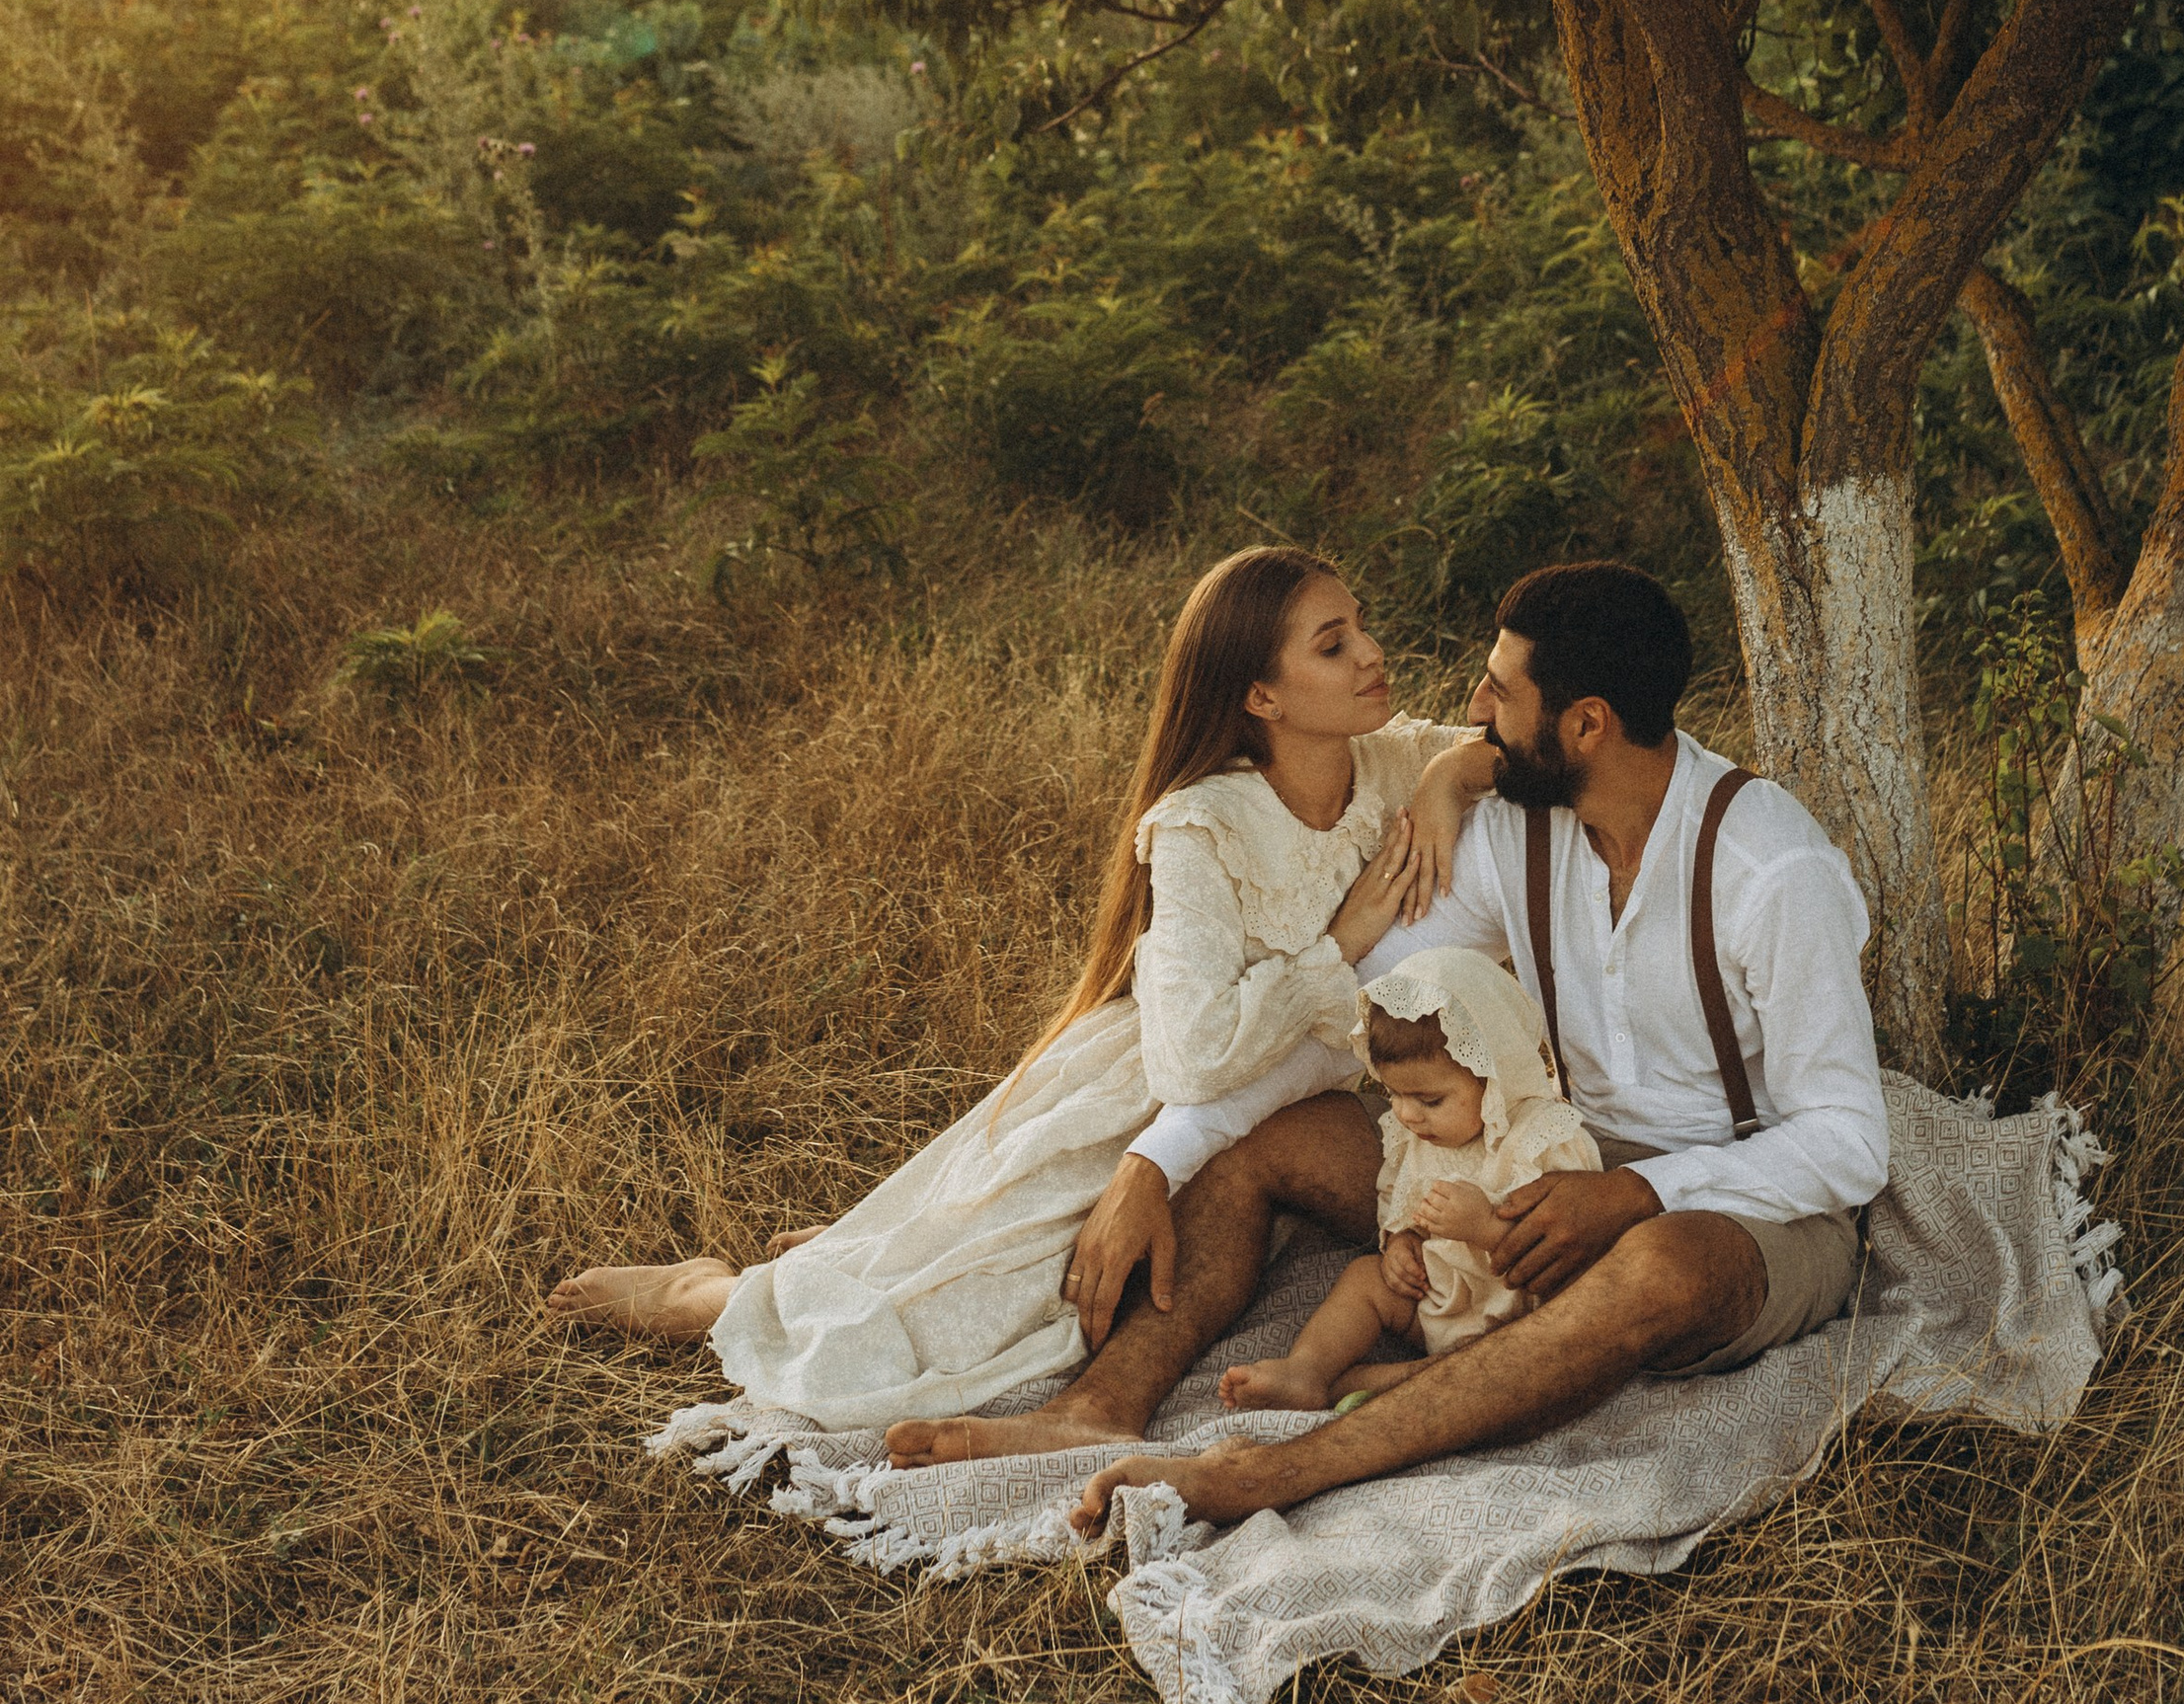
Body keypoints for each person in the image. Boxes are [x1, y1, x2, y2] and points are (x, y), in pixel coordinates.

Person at [905, 557, 1888, 1525]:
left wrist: (1637, 1193)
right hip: (1540, 1166)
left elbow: (1848, 1140)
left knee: (1664, 1268)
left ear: (1584, 722)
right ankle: (1097, 1407)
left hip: (1738, 1207)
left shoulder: (1770, 867)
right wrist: (1153, 1161)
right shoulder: (1518, 833)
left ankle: (1278, 1473)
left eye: (1498, 691)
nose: (1471, 710)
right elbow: (1365, 1019)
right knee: (1274, 1139)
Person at [547, 546, 1486, 1438]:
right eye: (1334, 643)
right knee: (947, 1331)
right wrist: (1346, 941)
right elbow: (1190, 1059)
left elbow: (1508, 744)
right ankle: (711, 1293)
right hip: (1137, 1101)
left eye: (1359, 626)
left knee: (978, 1266)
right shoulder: (1204, 822)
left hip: (1276, 1109)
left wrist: (1448, 778)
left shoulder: (1394, 762)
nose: (1372, 653)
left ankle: (868, 1248)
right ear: (1260, 694)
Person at [1216, 947, 1601, 1415]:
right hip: (1438, 1303)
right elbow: (1397, 1200)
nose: (1405, 1113)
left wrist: (1484, 1227)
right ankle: (1308, 1369)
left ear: (1493, 1075)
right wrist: (1400, 1242)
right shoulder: (1416, 1135)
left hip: (1515, 1316)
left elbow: (1571, 1256)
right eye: (1393, 1093)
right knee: (1365, 1279)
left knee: (1545, 1353)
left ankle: (1385, 1382)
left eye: (1430, 1099)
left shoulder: (1542, 1140)